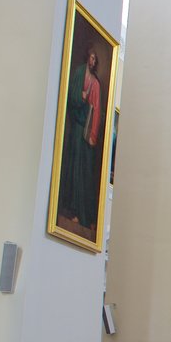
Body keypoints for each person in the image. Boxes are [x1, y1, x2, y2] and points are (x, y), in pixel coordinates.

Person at [59, 46, 104, 235]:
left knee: (83, 171)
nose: (92, 62)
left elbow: (96, 110)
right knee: (71, 166)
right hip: (76, 126)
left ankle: (81, 212)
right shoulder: (78, 73)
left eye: (95, 59)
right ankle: (70, 207)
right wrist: (80, 97)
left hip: (86, 132)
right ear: (88, 58)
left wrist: (93, 134)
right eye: (91, 58)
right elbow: (72, 94)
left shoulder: (95, 83)